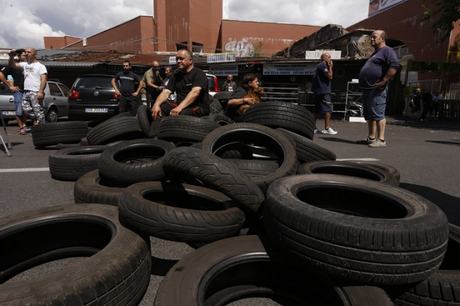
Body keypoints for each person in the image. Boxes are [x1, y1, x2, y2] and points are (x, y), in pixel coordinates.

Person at [357, 30, 399, 148]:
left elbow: (394, 65)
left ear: (382, 39)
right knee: (370, 114)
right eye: (371, 37)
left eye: (374, 37)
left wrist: (384, 80)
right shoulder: (376, 52)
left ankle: (381, 139)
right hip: (368, 88)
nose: (372, 39)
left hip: (377, 89)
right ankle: (371, 137)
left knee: (378, 113)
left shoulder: (387, 50)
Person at [151, 49, 210, 119]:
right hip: (179, 106)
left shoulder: (198, 73)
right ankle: (157, 129)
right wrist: (157, 104)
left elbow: (195, 92)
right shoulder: (176, 76)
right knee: (161, 109)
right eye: (177, 59)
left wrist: (180, 107)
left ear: (190, 61)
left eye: (181, 59)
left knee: (181, 114)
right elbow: (166, 92)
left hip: (198, 107)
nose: (178, 61)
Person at [8, 47, 48, 126]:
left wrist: (40, 92)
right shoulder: (25, 64)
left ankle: (42, 128)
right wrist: (11, 56)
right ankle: (39, 119)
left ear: (35, 54)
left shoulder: (40, 66)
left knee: (38, 111)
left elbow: (44, 80)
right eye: (25, 52)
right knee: (25, 109)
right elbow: (12, 65)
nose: (26, 53)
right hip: (26, 92)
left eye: (28, 52)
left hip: (35, 92)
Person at [0, 49, 28, 134]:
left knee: (26, 109)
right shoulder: (14, 65)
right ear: (19, 56)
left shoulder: (31, 65)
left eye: (27, 55)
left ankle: (25, 124)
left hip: (29, 90)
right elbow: (1, 74)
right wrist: (10, 86)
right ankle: (22, 127)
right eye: (24, 55)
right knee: (19, 109)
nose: (26, 57)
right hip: (19, 90)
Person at [312, 52, 337, 135]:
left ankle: (313, 127)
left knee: (316, 110)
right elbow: (330, 76)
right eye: (328, 57)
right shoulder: (323, 66)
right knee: (328, 109)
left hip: (318, 91)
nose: (330, 58)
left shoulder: (319, 66)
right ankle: (327, 128)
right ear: (324, 58)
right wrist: (330, 67)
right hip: (324, 91)